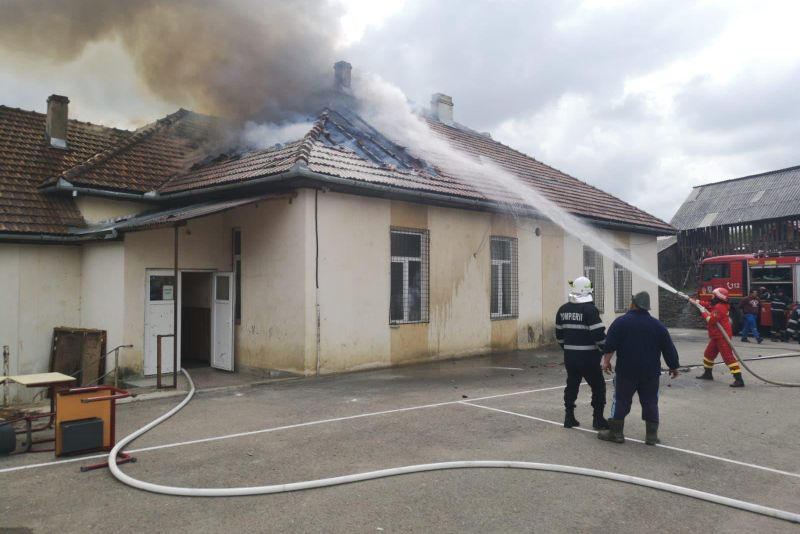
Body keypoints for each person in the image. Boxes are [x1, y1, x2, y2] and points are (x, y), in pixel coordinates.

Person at [597, 292, 680, 445]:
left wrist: (606, 362)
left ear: (633, 304)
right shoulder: (658, 325)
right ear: (647, 307)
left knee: (621, 400)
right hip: (651, 373)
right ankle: (651, 436)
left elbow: (610, 345)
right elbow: (668, 348)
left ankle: (616, 433)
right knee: (650, 402)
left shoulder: (621, 322)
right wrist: (673, 366)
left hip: (626, 371)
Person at [555, 276, 608, 430]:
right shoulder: (590, 310)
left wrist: (569, 350)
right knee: (598, 387)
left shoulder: (563, 309)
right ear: (587, 291)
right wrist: (606, 351)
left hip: (570, 358)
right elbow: (598, 335)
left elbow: (559, 336)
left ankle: (569, 417)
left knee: (572, 385)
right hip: (589, 359)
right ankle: (598, 419)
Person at [691, 288, 744, 387]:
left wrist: (703, 312)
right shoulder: (718, 305)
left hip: (722, 336)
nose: (712, 296)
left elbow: (711, 320)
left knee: (728, 357)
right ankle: (708, 374)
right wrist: (696, 301)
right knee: (708, 354)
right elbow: (708, 305)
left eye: (713, 295)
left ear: (718, 297)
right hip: (716, 335)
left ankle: (739, 380)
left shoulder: (719, 307)